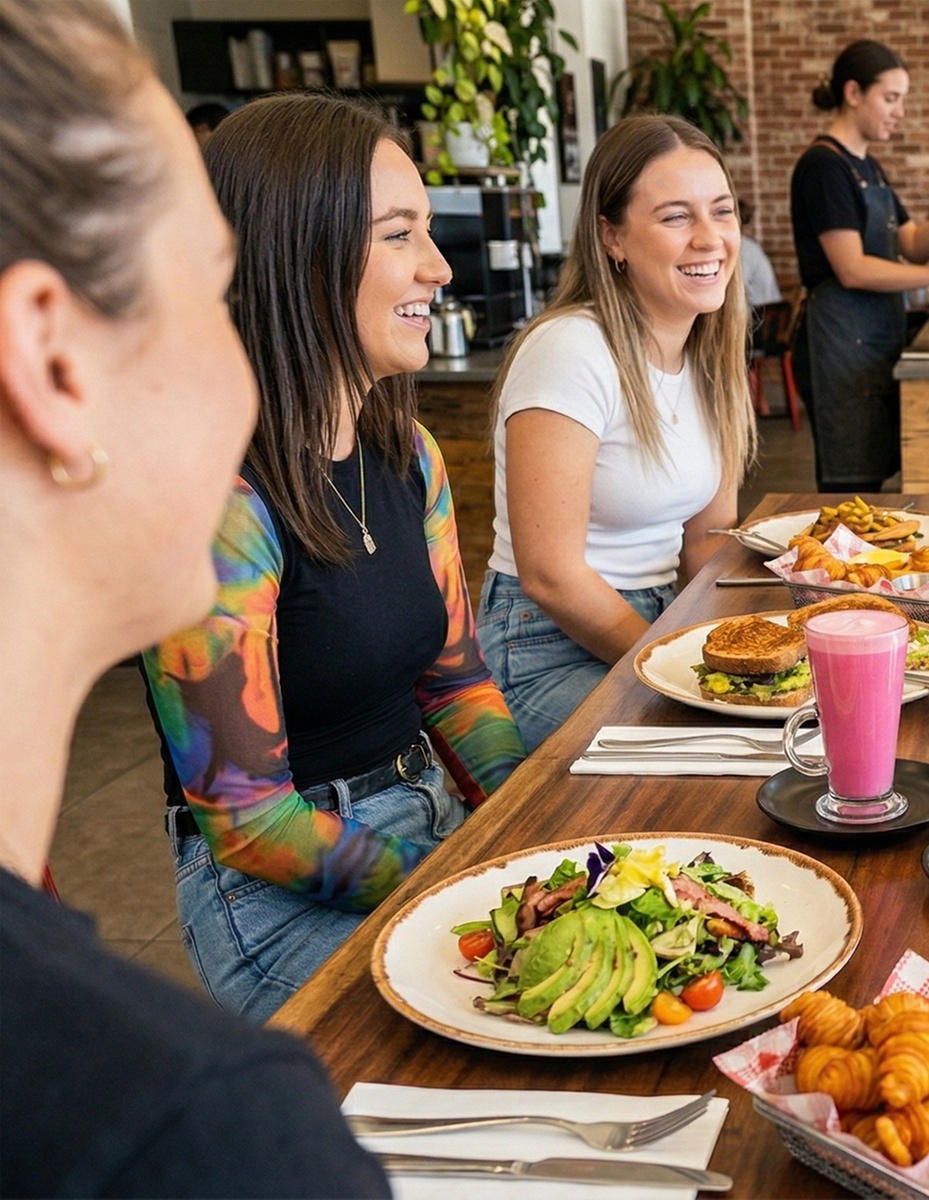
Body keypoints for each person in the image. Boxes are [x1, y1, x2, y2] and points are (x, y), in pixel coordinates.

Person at [0, 2, 387, 1193]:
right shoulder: (200, 1133)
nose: (247, 374)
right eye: (217, 301)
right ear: (54, 363)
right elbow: (247, 814)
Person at [142, 93, 526, 1023]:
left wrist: (535, 829)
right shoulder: (217, 502)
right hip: (275, 896)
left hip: (428, 819)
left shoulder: (409, 454)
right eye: (399, 235)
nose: (438, 267)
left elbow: (457, 686)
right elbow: (248, 822)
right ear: (296, 256)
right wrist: (458, 890)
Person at [479, 115, 758, 751]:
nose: (710, 238)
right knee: (722, 754)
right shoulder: (571, 348)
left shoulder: (711, 353)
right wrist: (679, 671)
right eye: (676, 217)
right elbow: (550, 575)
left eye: (722, 211)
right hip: (544, 644)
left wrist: (747, 650)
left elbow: (705, 544)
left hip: (661, 620)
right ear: (612, 237)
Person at [789, 39, 929, 491]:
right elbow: (853, 268)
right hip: (838, 341)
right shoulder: (824, 167)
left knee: (876, 480)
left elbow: (915, 244)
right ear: (853, 93)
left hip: (871, 339)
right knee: (852, 486)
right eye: (891, 98)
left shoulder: (869, 168)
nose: (900, 111)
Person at [737, 198, 783, 308]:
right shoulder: (749, 246)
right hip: (767, 309)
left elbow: (739, 286)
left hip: (760, 312)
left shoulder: (744, 248)